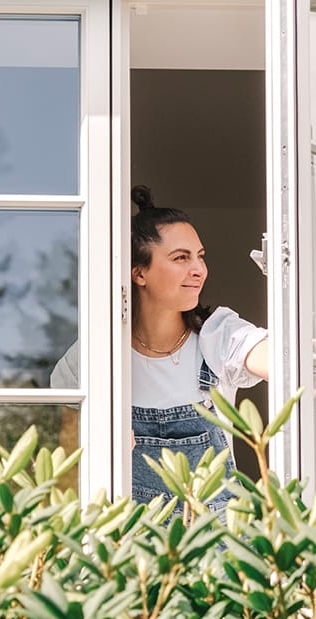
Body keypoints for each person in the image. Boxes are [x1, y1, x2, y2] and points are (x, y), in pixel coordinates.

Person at [50, 185, 268, 515]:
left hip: (216, 553)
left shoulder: (218, 336)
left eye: (200, 256)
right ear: (139, 273)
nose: (199, 270)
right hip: (129, 550)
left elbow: (276, 359)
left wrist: (299, 352)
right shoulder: (95, 356)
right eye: (181, 258)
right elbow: (65, 461)